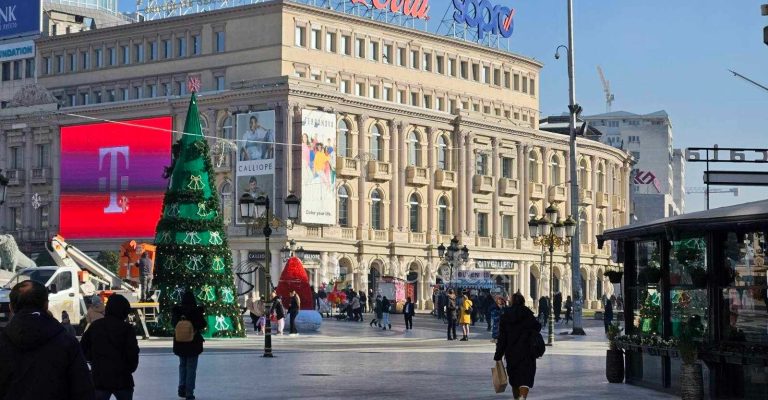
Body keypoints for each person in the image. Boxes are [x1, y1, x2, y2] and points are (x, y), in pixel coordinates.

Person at [0, 280, 95, 399]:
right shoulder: (66, 341)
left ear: (11, 307)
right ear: (46, 305)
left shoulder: (4, 340)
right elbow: (83, 389)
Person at [81, 294, 140, 400]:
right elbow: (132, 352)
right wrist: (129, 368)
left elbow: (82, 348)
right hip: (123, 379)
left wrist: (93, 359)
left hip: (99, 378)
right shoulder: (126, 329)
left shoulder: (95, 326)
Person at [494, 293, 541, 400]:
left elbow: (502, 338)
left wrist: (498, 355)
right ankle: (522, 397)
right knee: (525, 379)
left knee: (515, 379)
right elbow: (537, 327)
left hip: (512, 353)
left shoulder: (506, 315)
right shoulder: (528, 313)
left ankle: (517, 398)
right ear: (523, 301)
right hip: (527, 352)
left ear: (511, 302)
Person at [172, 291, 207, 400]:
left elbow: (173, 324)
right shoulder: (196, 311)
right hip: (193, 343)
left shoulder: (177, 311)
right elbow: (203, 324)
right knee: (191, 368)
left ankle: (181, 386)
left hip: (180, 343)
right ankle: (189, 392)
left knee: (182, 365)